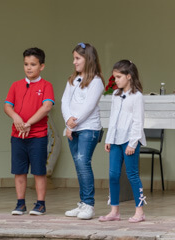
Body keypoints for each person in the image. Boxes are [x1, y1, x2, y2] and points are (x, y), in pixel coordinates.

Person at [4, 47, 54, 215]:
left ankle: (40, 204)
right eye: (26, 64)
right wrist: (16, 118)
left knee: (39, 171)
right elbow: (7, 106)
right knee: (19, 170)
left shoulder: (46, 85)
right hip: (17, 136)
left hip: (38, 136)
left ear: (42, 66)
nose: (29, 67)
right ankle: (20, 203)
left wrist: (28, 123)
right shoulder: (16, 85)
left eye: (33, 64)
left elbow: (46, 107)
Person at [99, 60, 147, 223]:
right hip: (116, 141)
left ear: (129, 76)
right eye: (114, 77)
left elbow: (138, 122)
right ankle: (114, 211)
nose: (116, 80)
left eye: (119, 77)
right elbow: (113, 119)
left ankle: (139, 211)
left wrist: (133, 143)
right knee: (113, 174)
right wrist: (109, 138)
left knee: (132, 174)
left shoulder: (137, 96)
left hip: (129, 140)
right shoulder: (115, 95)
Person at [61, 43, 105, 220]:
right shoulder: (73, 80)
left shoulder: (96, 81)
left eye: (77, 58)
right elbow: (64, 101)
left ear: (88, 59)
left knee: (83, 162)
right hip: (73, 128)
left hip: (89, 128)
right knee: (79, 166)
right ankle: (82, 202)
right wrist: (68, 121)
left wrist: (72, 124)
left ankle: (89, 204)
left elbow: (89, 106)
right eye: (74, 58)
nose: (74, 62)